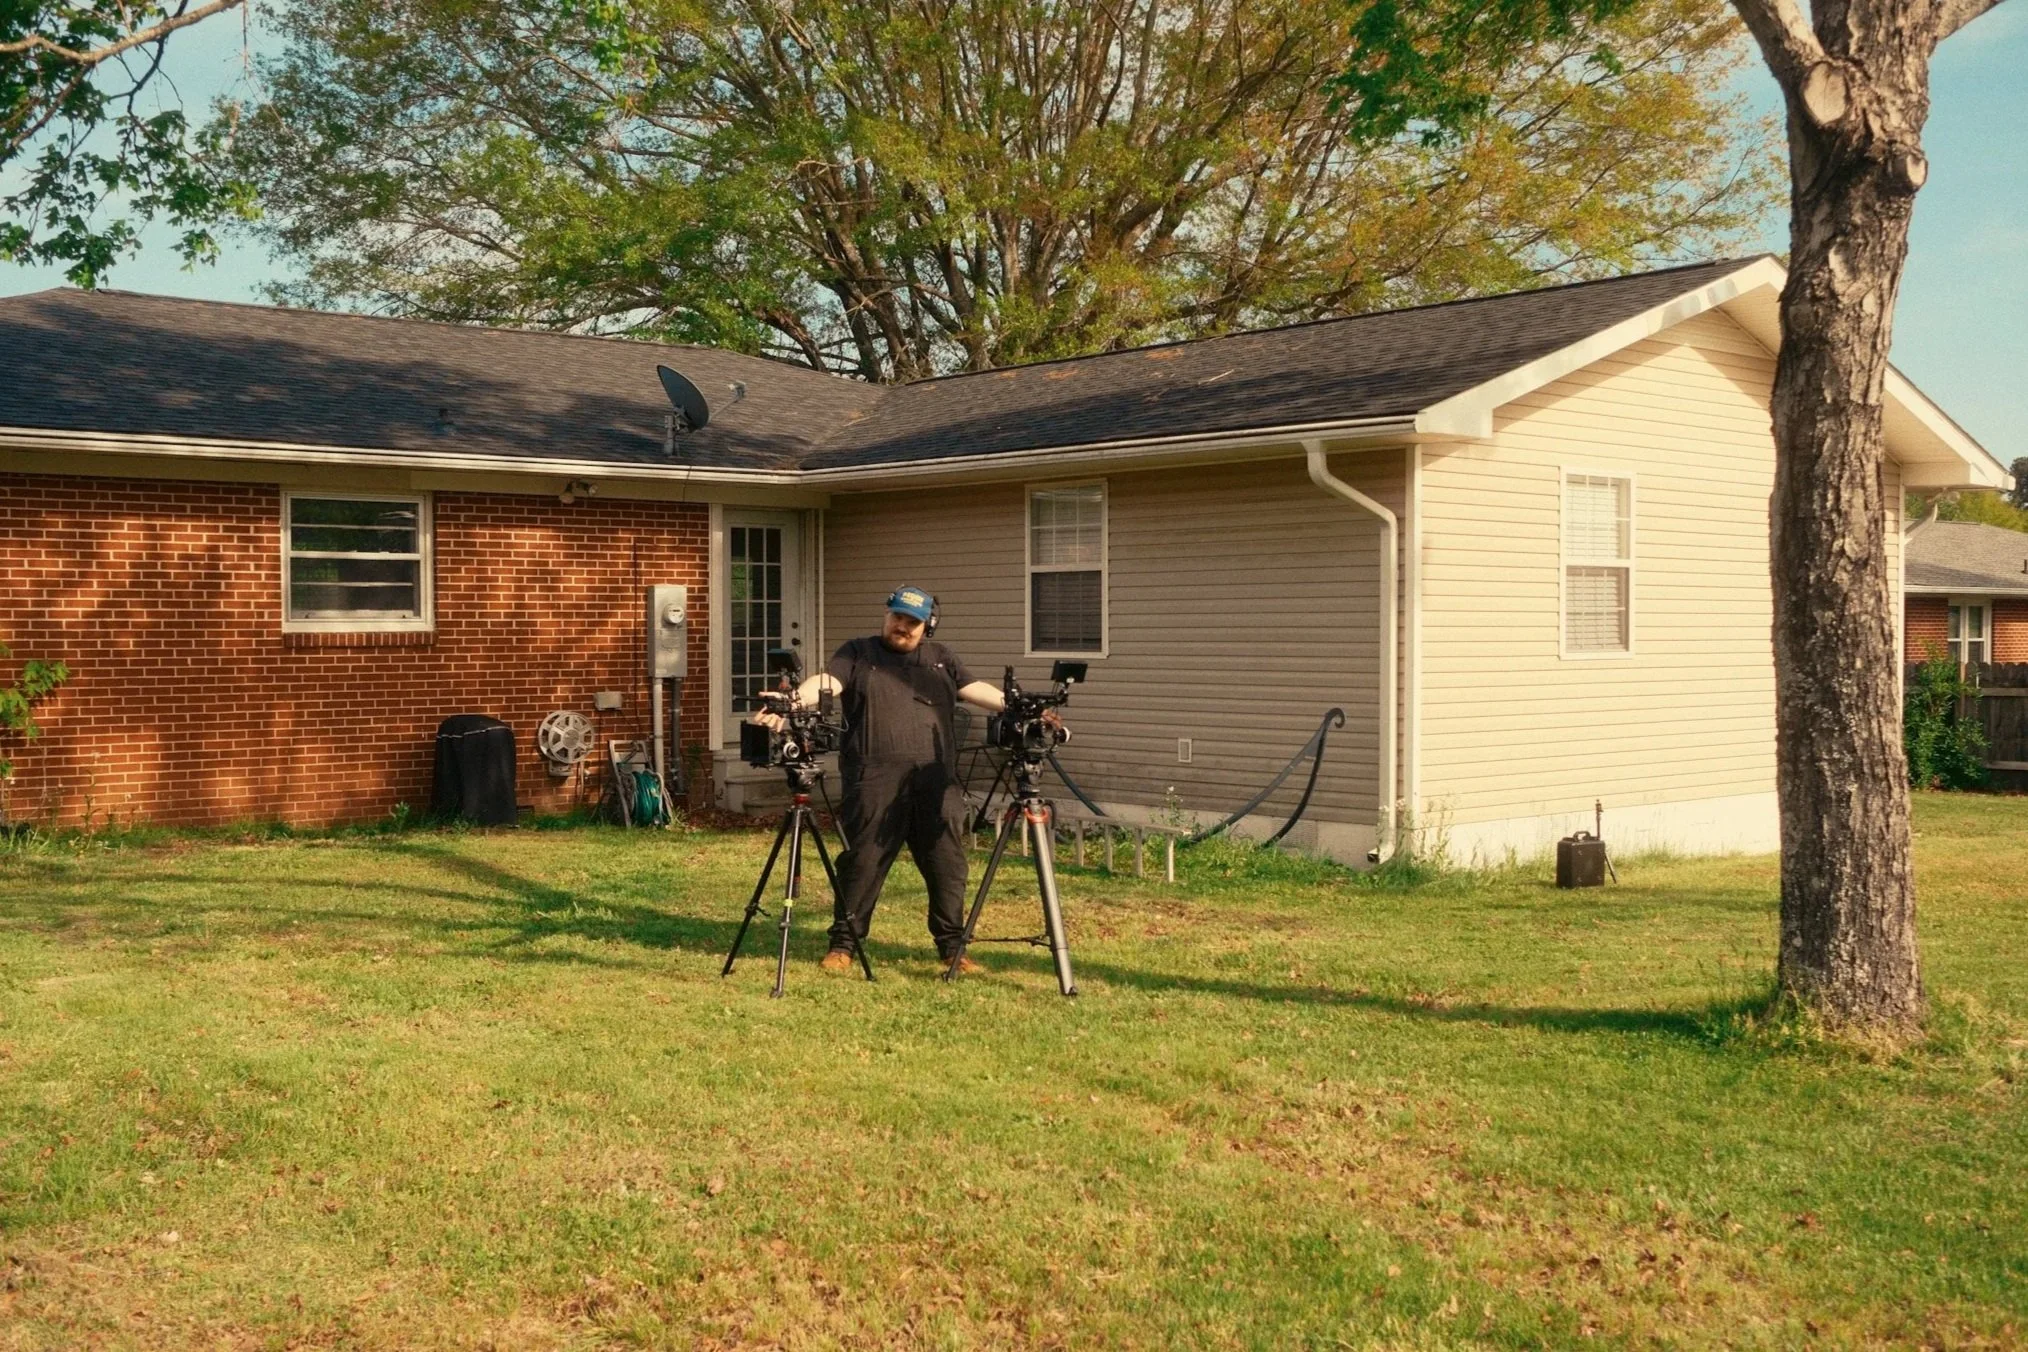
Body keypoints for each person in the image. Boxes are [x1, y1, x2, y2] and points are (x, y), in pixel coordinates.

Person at [749, 585, 1033, 973]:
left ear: (927, 625)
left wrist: (1022, 708)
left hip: (936, 783)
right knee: (862, 862)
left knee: (947, 866)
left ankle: (953, 947)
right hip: (873, 779)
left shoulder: (941, 659)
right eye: (897, 617)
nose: (902, 626)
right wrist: (793, 701)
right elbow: (827, 683)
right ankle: (844, 945)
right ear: (887, 615)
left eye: (912, 621)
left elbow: (975, 688)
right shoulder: (858, 653)